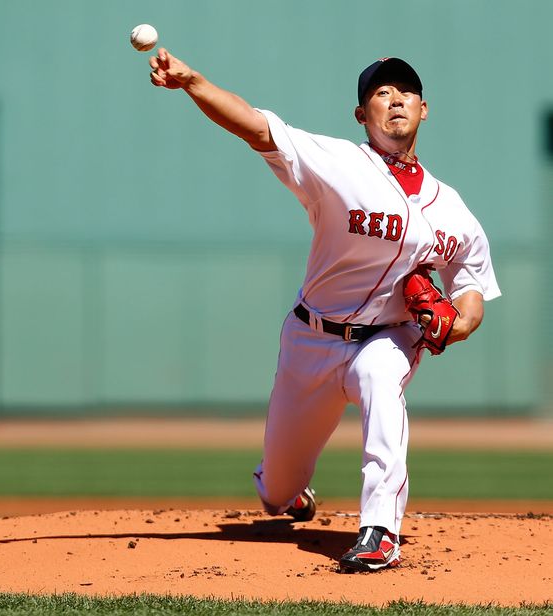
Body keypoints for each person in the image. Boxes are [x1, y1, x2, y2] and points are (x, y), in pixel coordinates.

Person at [148, 50, 500, 572]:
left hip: (387, 336)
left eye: (405, 91)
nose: (395, 98)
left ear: (424, 109)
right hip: (312, 339)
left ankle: (379, 530)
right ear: (362, 115)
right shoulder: (337, 164)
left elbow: (472, 289)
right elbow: (256, 127)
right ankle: (288, 493)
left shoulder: (453, 208)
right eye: (380, 93)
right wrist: (193, 81)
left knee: (382, 378)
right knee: (277, 489)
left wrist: (457, 323)